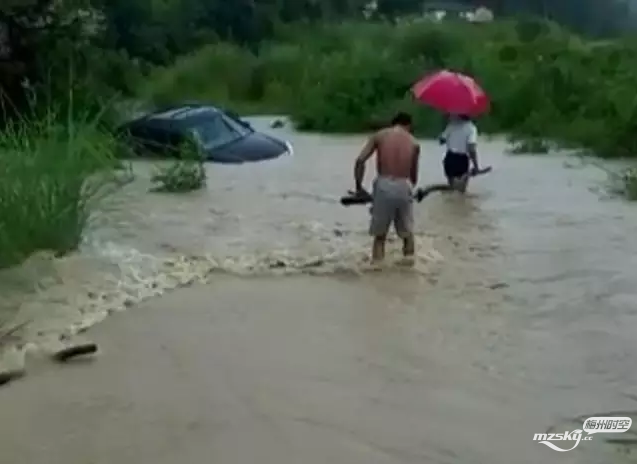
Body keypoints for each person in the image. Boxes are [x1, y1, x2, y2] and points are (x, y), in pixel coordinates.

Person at [353, 112, 420, 263]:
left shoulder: (380, 136)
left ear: (393, 123)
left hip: (384, 184)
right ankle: (409, 267)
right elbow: (414, 176)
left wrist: (359, 187)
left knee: (380, 236)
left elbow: (360, 161)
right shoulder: (414, 142)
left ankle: (377, 268)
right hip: (404, 185)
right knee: (407, 234)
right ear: (408, 125)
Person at [438, 114, 480, 193]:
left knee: (452, 189)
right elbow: (471, 148)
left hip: (449, 158)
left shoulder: (451, 125)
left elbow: (441, 141)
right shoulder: (471, 128)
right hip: (462, 160)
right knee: (460, 192)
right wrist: (476, 166)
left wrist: (444, 125)